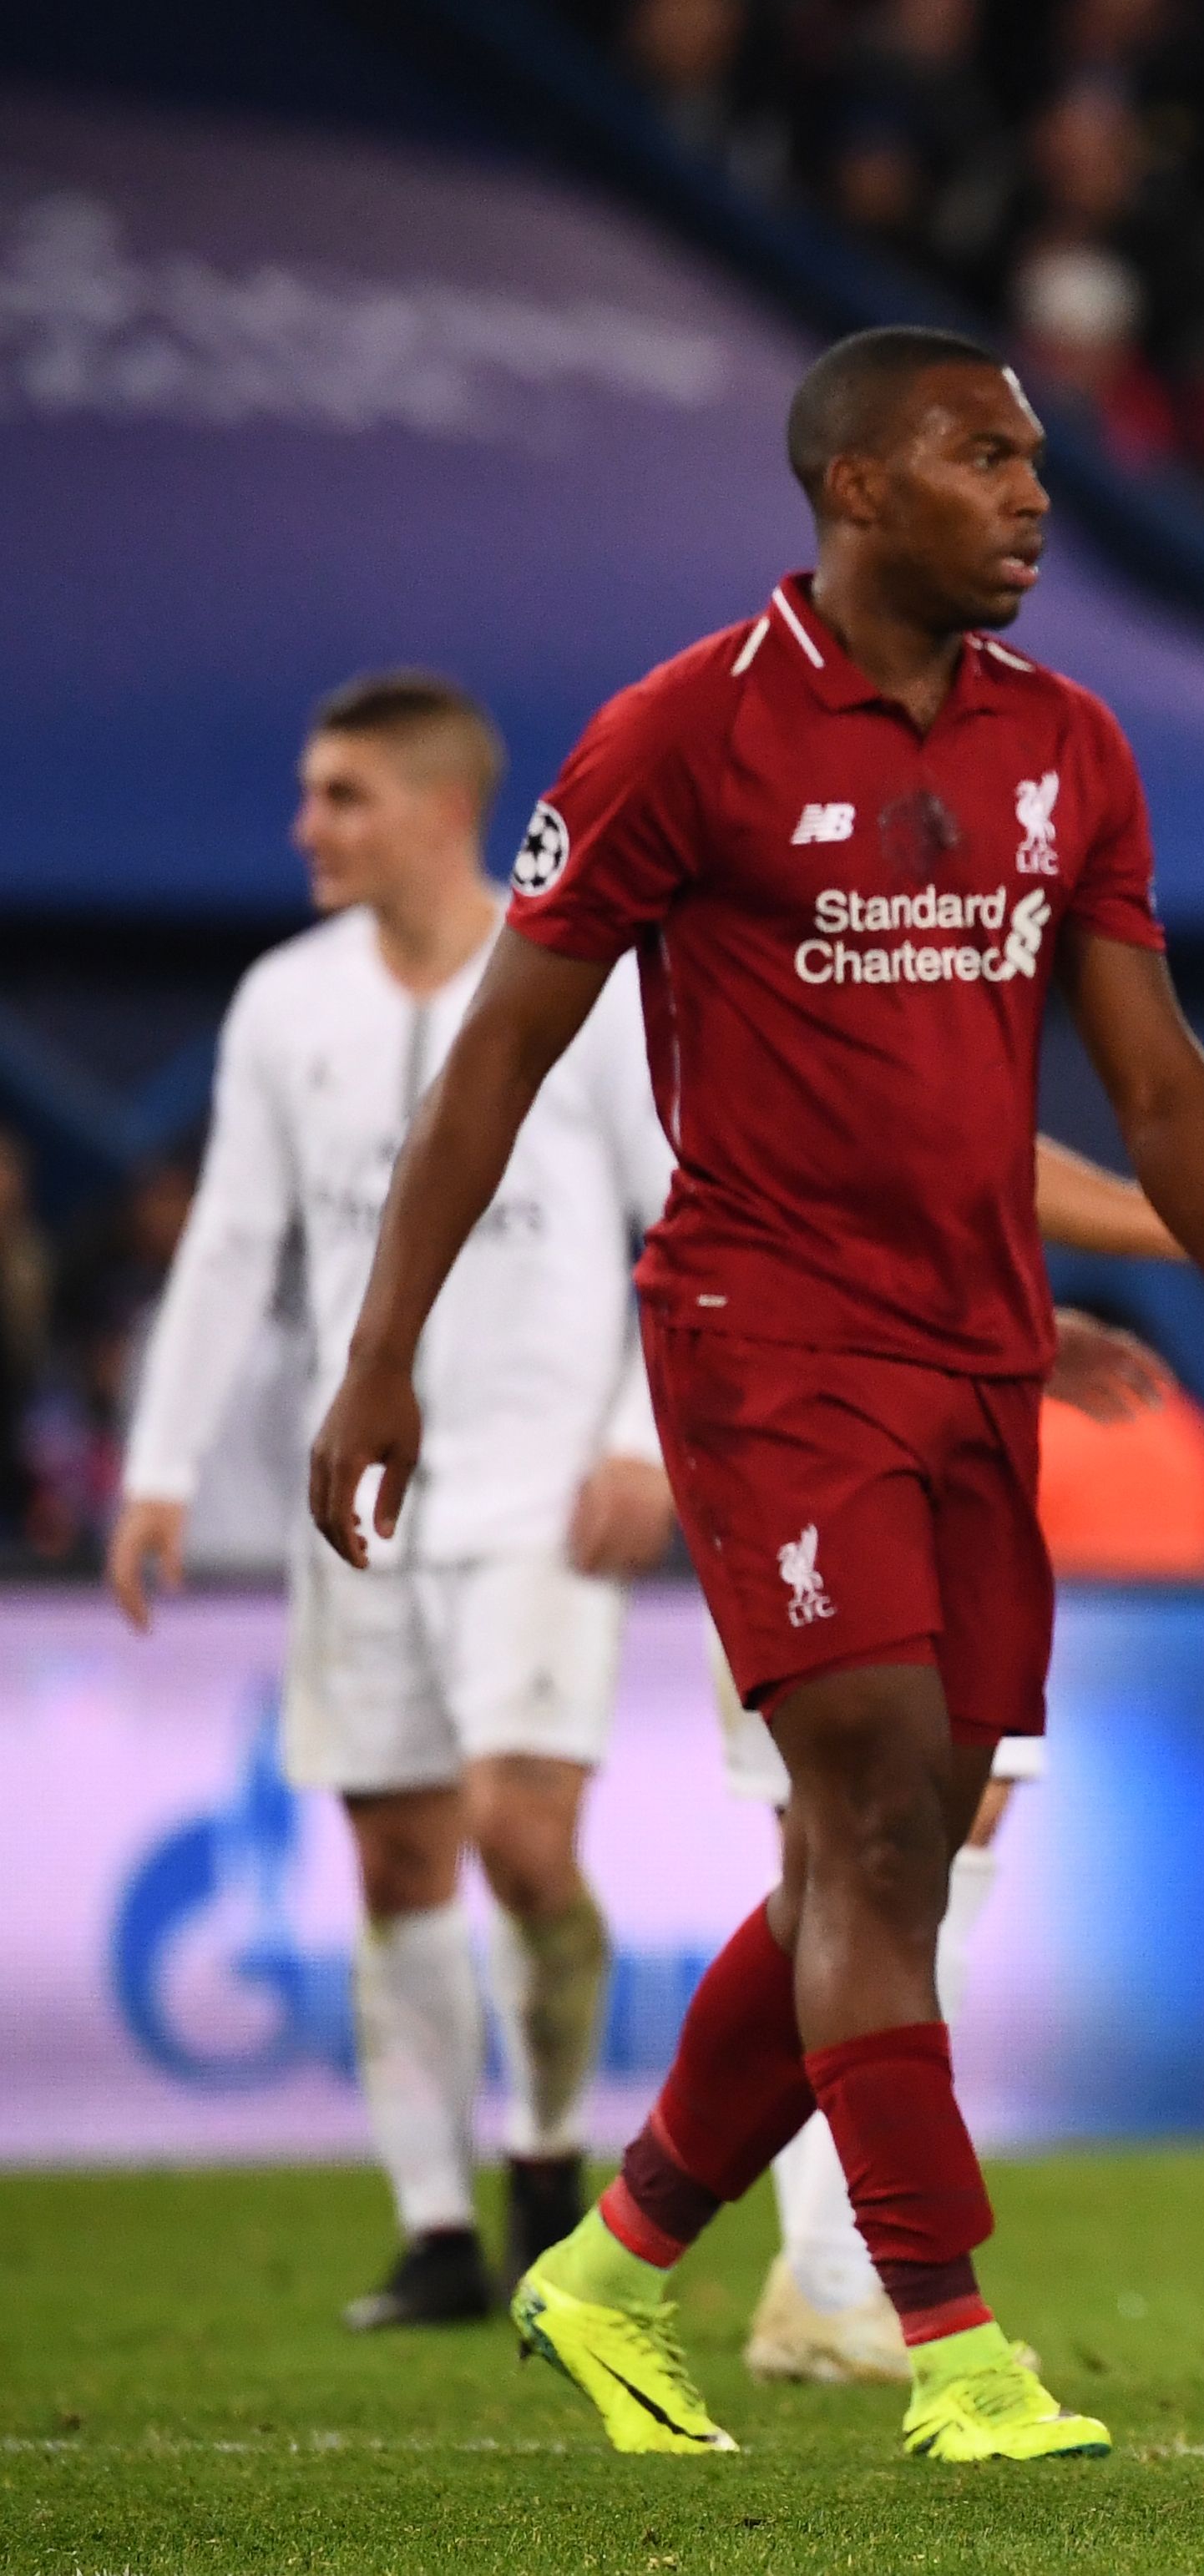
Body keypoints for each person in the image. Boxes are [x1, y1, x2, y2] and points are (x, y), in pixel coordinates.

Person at [306, 325, 1204, 2466]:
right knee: (870, 1818)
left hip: (978, 1353)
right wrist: (381, 1357)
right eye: (986, 458)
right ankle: (950, 2349)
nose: (1036, 495)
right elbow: (496, 1056)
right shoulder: (686, 734)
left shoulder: (1073, 746)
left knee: (907, 1838)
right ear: (858, 488)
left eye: (1038, 460)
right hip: (768, 1348)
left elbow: (1147, 1063)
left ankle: (609, 2265)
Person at [110, 669, 674, 2334]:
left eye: (341, 795)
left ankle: (554, 2162)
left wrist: (645, 1432)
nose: (308, 828)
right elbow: (232, 1238)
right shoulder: (287, 1004)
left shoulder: (589, 982)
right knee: (396, 1856)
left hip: (540, 1480)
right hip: (364, 1491)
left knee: (520, 1833)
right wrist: (158, 1465)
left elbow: (681, 1210)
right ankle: (439, 2229)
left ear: (441, 810)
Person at [745, 1141, 1204, 2387]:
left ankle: (806, 2267)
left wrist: (1029, 1323)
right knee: (867, 1847)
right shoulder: (749, 981)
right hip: (805, 1417)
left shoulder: (901, 993)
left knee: (885, 1847)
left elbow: (970, 1152)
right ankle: (784, 2264)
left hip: (907, 1406)